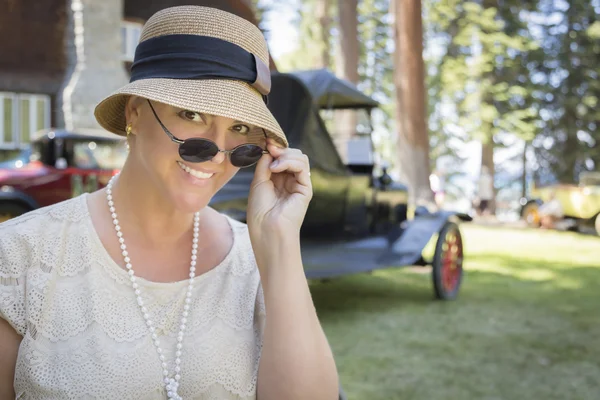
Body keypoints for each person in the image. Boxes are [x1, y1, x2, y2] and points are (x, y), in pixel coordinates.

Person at [0, 6, 339, 400]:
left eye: (240, 128)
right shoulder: (20, 256)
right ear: (135, 114)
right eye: (192, 115)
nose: (217, 153)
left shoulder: (256, 259)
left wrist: (279, 245)